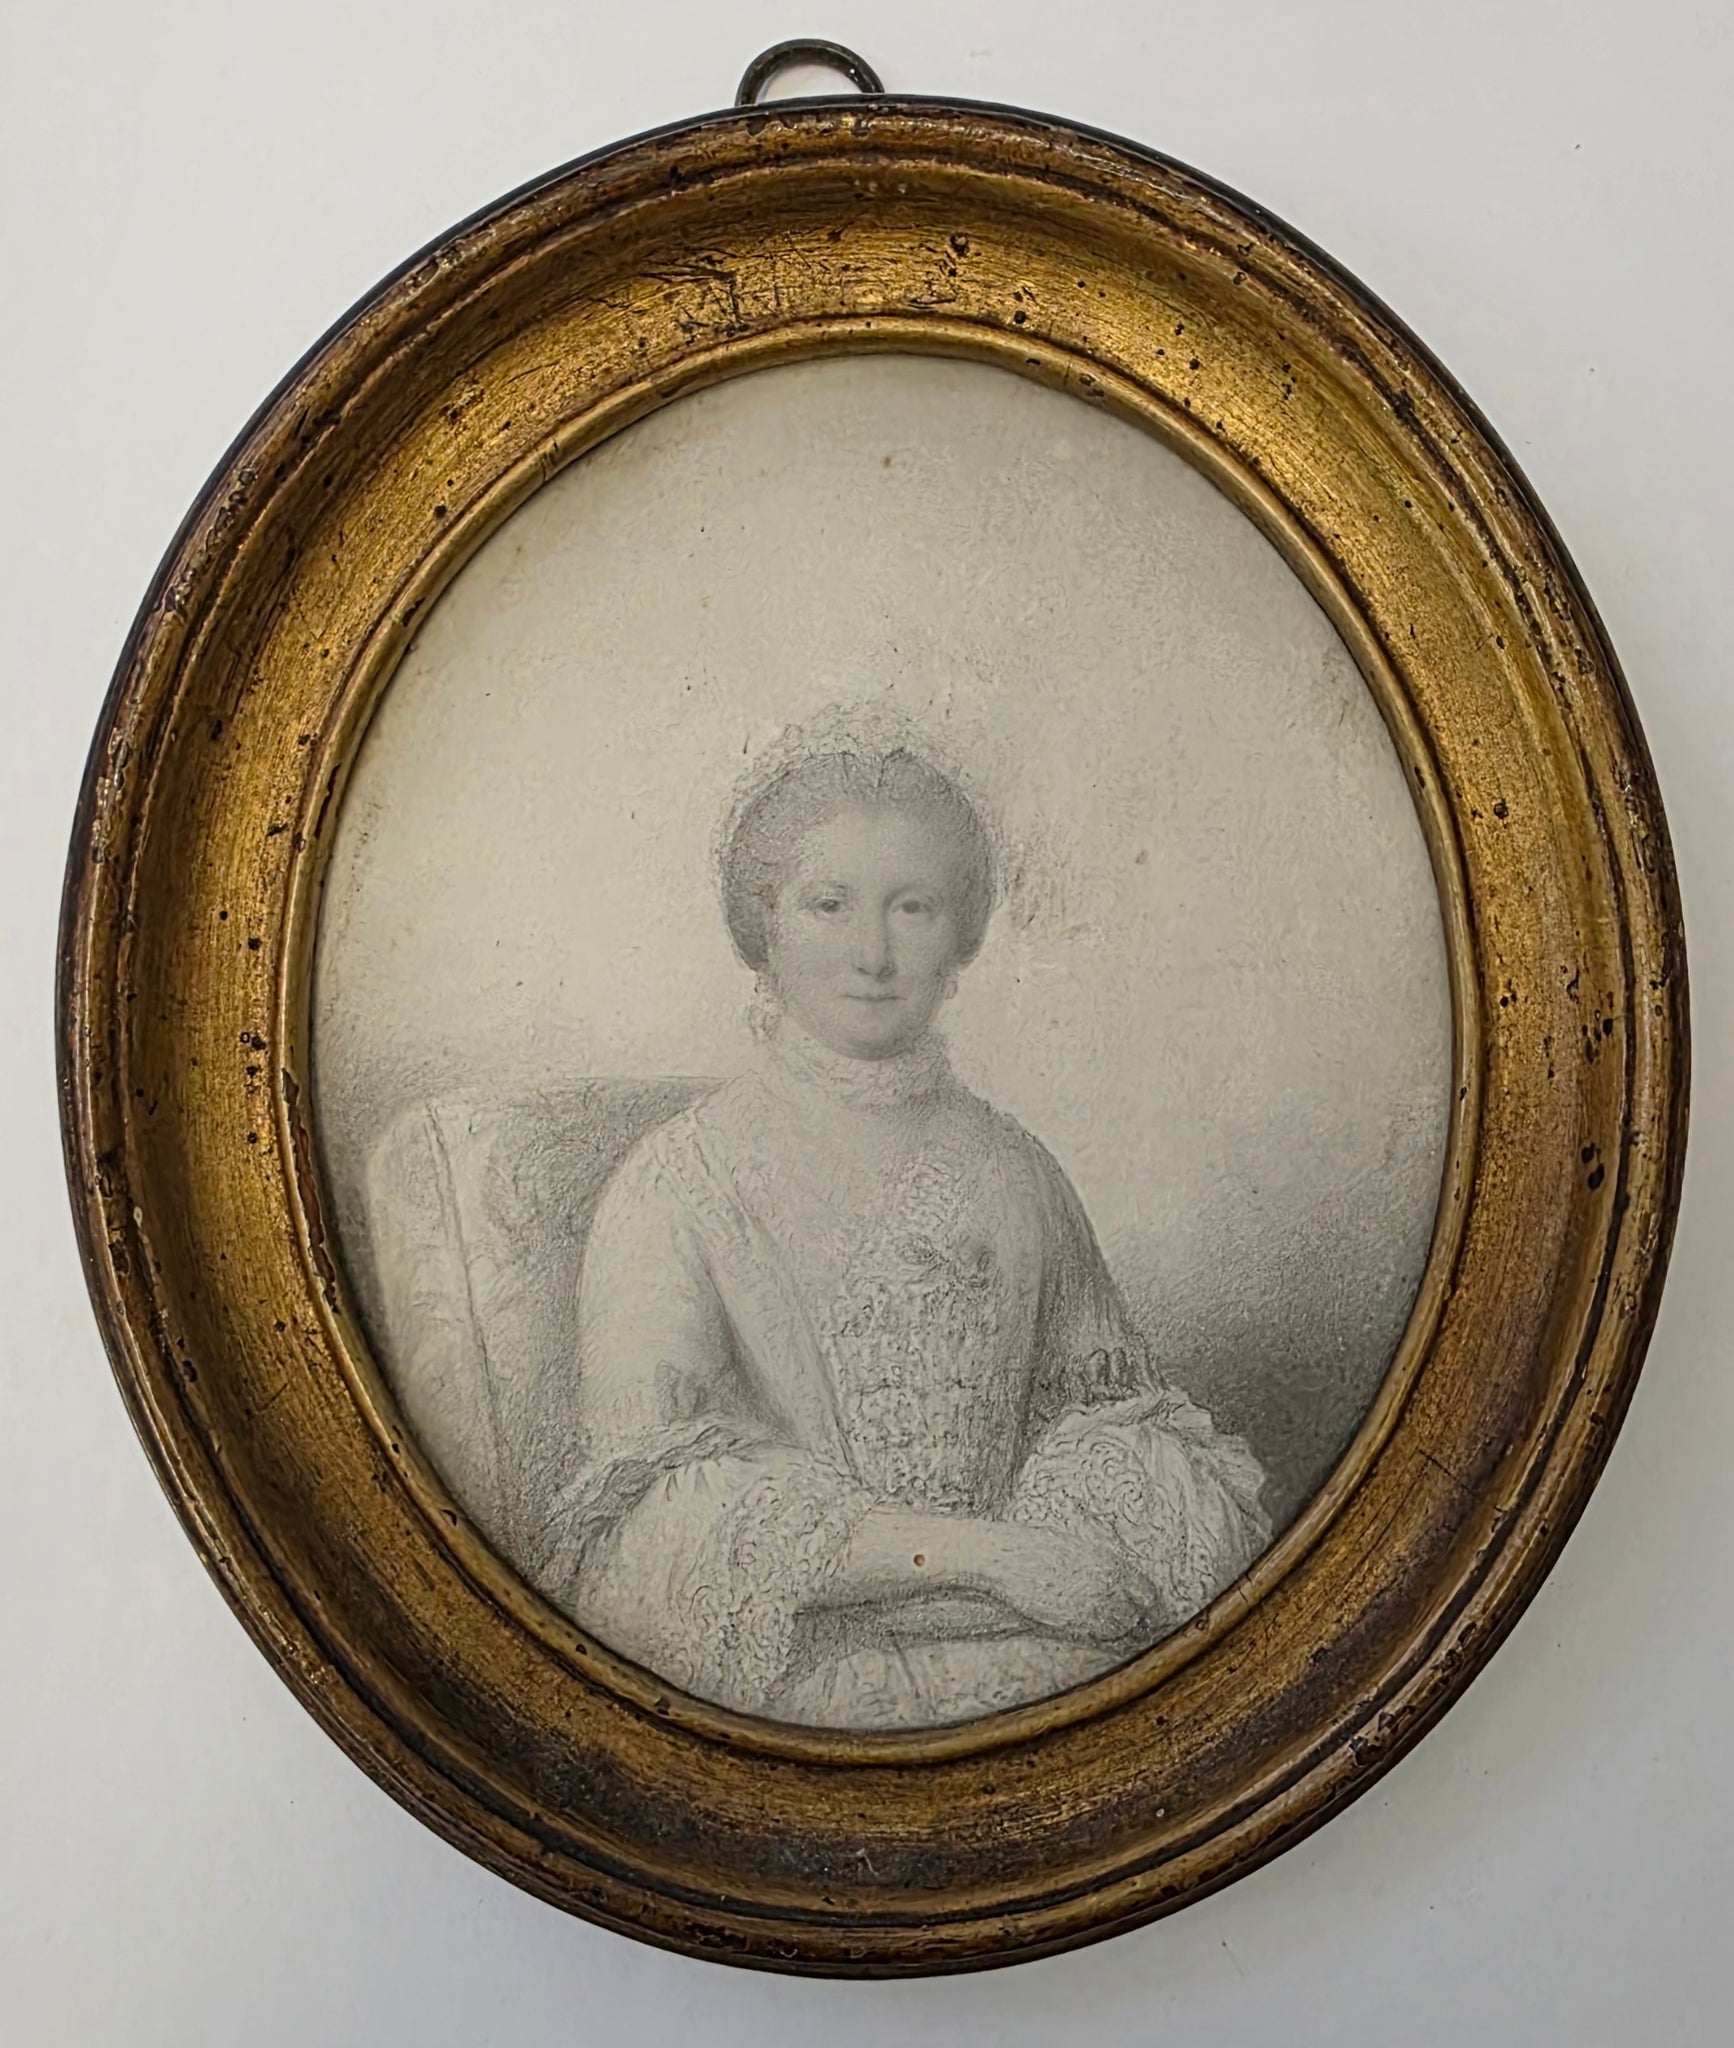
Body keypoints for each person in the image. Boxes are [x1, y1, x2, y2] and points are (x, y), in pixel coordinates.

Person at [534, 740, 1269, 1728]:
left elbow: (1107, 1420)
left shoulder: (1014, 1171)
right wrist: (988, 1557)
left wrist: (1069, 1544)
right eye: (829, 904)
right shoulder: (679, 1181)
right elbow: (656, 1512)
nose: (873, 955)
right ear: (764, 924)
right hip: (787, 1668)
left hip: (1024, 1646)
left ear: (960, 937)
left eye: (913, 907)